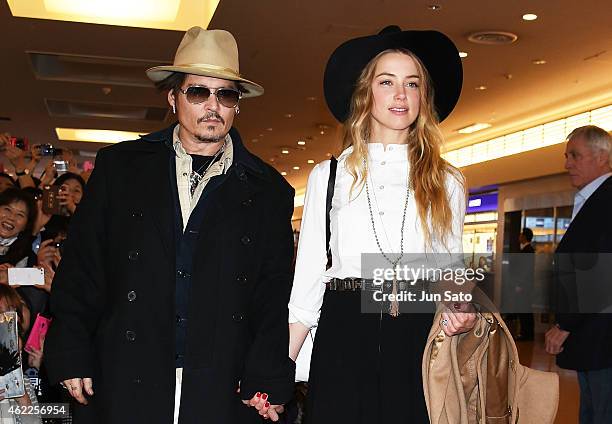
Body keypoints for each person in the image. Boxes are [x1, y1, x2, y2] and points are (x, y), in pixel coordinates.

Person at [44, 27, 295, 424]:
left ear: (236, 105)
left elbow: (271, 294)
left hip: (219, 377)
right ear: (173, 97)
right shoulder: (120, 169)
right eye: (198, 92)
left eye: (226, 94)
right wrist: (71, 349)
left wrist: (266, 375)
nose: (213, 105)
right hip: (128, 366)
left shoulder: (269, 191)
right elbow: (82, 269)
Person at [287, 26, 476, 424]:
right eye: (386, 82)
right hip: (343, 329)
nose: (401, 95)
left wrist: (460, 306)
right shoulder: (330, 175)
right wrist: (275, 372)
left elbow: (449, 271)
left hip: (417, 333)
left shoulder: (448, 180)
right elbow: (306, 286)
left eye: (413, 83)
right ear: (365, 93)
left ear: (424, 96)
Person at [545, 125, 612, 424]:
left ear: (602, 157)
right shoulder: (592, 199)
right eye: (566, 155)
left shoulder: (606, 201)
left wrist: (566, 323)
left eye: (575, 155)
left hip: (602, 336)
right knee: (591, 411)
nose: (567, 163)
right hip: (593, 336)